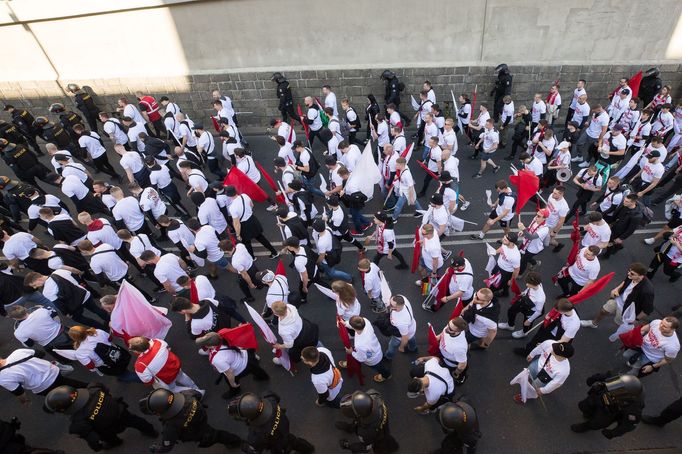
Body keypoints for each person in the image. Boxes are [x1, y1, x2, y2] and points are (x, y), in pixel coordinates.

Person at [45, 383, 157, 451]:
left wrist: (97, 448)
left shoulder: (77, 423)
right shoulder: (94, 388)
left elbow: (92, 438)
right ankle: (151, 431)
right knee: (137, 421)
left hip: (108, 429)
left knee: (109, 438)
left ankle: (116, 442)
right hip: (121, 412)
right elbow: (105, 390)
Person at [140, 388, 241, 452]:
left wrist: (157, 450)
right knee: (213, 433)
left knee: (214, 436)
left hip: (197, 433)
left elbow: (167, 446)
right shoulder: (186, 394)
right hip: (201, 417)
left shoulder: (170, 427)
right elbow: (198, 394)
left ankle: (236, 441)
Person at [228, 391, 315, 453]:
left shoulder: (256, 435)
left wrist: (245, 447)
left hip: (276, 444)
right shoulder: (269, 398)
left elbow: (255, 449)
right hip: (285, 429)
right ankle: (310, 449)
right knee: (295, 442)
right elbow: (277, 397)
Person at [24, 270, 110, 331]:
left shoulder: (47, 291)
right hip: (84, 294)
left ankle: (102, 328)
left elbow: (59, 304)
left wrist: (67, 313)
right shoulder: (59, 271)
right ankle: (110, 320)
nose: (35, 287)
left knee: (81, 319)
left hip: (74, 306)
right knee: (96, 309)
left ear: (38, 279)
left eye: (34, 285)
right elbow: (76, 277)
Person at [195, 331, 269, 399]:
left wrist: (232, 383)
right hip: (247, 355)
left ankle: (235, 390)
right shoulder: (223, 338)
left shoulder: (217, 359)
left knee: (229, 380)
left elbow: (229, 372)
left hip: (242, 367)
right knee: (257, 370)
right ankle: (264, 377)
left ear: (211, 346)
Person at [570, 373, 644, 439]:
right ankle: (588, 414)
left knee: (595, 423)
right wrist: (592, 379)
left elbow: (627, 426)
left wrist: (613, 433)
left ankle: (585, 426)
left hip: (610, 411)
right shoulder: (621, 379)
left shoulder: (634, 408)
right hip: (599, 397)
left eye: (619, 390)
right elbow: (605, 376)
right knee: (583, 406)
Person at [0, 348, 86, 403]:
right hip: (53, 372)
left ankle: (79, 402)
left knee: (63, 398)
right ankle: (92, 388)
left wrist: (24, 401)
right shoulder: (17, 352)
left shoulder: (2, 378)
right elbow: (40, 353)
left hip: (43, 388)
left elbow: (19, 391)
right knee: (72, 383)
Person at [128, 337, 203, 394]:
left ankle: (197, 392)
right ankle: (195, 387)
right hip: (175, 367)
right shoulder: (157, 342)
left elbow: (148, 381)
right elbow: (168, 348)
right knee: (182, 376)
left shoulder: (140, 366)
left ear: (137, 351)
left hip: (167, 379)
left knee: (173, 389)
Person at [336, 389, 400, 453]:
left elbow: (366, 447)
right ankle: (393, 446)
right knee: (387, 436)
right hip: (384, 426)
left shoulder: (365, 431)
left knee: (380, 448)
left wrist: (349, 446)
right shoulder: (374, 395)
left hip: (377, 437)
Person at [67, 325, 137, 381]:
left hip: (108, 366)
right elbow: (110, 339)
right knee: (122, 365)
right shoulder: (97, 331)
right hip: (116, 352)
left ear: (74, 338)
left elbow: (90, 365)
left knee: (124, 375)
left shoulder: (80, 352)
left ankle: (143, 378)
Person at [226, 185, 279, 258]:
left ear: (228, 195)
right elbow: (252, 205)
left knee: (246, 242)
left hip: (244, 225)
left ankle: (252, 257)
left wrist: (238, 234)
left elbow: (236, 223)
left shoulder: (232, 208)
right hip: (252, 219)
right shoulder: (244, 196)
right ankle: (274, 252)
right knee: (261, 237)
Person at [515, 298, 580, 356]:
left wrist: (546, 344)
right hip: (551, 326)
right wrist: (549, 316)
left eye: (558, 311)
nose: (556, 311)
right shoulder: (567, 307)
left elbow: (563, 341)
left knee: (549, 352)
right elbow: (555, 312)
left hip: (557, 337)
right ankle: (527, 351)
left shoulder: (574, 324)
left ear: (563, 311)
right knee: (536, 339)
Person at [8, 305, 73, 361]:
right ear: (25, 309)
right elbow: (56, 317)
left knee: (55, 353)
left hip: (51, 344)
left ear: (14, 318)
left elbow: (30, 345)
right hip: (65, 332)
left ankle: (66, 361)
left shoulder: (18, 332)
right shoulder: (42, 310)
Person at [416, 317, 469, 385]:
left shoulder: (459, 347)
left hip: (450, 364)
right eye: (448, 324)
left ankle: (461, 379)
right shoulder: (450, 327)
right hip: (443, 354)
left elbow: (462, 364)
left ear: (458, 331)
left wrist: (456, 372)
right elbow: (443, 333)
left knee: (455, 375)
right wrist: (438, 337)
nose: (447, 328)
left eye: (450, 328)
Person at [271, 300, 319, 365]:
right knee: (315, 340)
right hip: (307, 326)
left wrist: (280, 346)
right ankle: (321, 350)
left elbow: (289, 345)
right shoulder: (291, 307)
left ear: (276, 314)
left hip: (301, 339)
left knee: (293, 352)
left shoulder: (283, 330)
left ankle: (284, 361)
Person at [499, 271, 546, 338]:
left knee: (526, 324)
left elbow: (538, 311)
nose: (526, 284)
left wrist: (529, 320)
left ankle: (524, 332)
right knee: (511, 310)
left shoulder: (540, 298)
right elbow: (528, 289)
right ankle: (510, 325)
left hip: (532, 310)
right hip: (525, 301)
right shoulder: (537, 284)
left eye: (528, 283)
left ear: (534, 284)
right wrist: (524, 293)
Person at [384, 295, 418, 360]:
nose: (389, 305)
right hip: (411, 328)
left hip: (400, 336)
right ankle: (413, 349)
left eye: (391, 305)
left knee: (392, 346)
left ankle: (388, 356)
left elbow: (405, 338)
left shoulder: (401, 322)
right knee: (412, 339)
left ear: (397, 308)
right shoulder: (401, 298)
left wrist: (401, 347)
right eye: (390, 302)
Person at [490, 232, 521, 298]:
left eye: (505, 239)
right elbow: (501, 249)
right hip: (499, 266)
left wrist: (511, 280)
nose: (503, 239)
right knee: (500, 280)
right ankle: (505, 292)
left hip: (506, 272)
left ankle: (491, 293)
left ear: (512, 242)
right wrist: (495, 252)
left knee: (498, 285)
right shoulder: (505, 244)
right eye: (504, 237)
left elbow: (516, 270)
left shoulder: (515, 256)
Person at [518, 209, 549, 273]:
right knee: (520, 255)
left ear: (544, 218)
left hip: (533, 248)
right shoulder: (535, 219)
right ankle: (535, 262)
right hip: (526, 243)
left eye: (539, 216)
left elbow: (531, 237)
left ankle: (520, 273)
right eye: (537, 215)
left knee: (523, 261)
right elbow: (529, 228)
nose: (536, 217)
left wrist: (523, 229)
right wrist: (523, 231)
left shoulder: (544, 229)